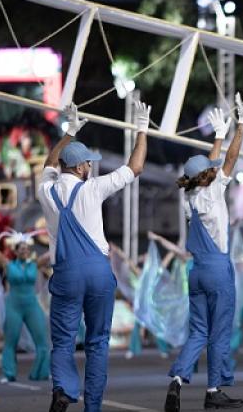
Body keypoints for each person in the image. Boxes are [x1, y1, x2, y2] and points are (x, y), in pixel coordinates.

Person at [37, 101, 149, 412]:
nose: (91, 167)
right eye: (89, 163)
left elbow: (49, 163)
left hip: (66, 274)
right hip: (98, 273)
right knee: (98, 343)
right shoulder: (93, 188)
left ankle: (63, 389)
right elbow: (135, 167)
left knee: (62, 342)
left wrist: (68, 133)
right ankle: (93, 408)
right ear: (82, 166)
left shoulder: (45, 191)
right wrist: (142, 129)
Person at [164, 94, 243, 412]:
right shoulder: (214, 191)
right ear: (207, 177)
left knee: (198, 331)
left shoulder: (190, 198)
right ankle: (213, 390)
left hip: (196, 272)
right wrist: (239, 126)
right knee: (220, 332)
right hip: (217, 271)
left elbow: (211, 165)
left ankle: (177, 381)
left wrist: (217, 136)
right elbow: (230, 160)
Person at [0, 227, 51, 382]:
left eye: (26, 249)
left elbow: (52, 253)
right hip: (14, 307)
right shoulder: (8, 264)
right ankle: (9, 373)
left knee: (42, 339)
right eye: (21, 249)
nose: (25, 251)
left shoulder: (34, 264)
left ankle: (41, 372)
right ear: (16, 251)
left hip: (31, 305)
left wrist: (62, 235)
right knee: (11, 340)